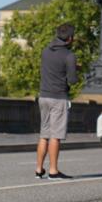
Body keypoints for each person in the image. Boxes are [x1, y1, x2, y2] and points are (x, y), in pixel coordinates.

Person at [35, 23, 78, 179]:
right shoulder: (69, 55)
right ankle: (53, 170)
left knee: (44, 134)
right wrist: (74, 68)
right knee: (55, 135)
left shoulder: (45, 51)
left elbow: (51, 69)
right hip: (58, 97)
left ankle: (39, 169)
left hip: (43, 96)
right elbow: (72, 80)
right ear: (70, 38)